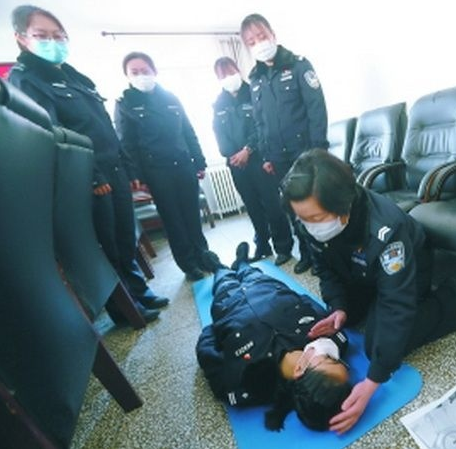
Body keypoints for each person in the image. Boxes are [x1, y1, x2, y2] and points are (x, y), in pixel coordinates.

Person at [281, 150, 456, 434]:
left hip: (410, 270)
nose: (310, 226)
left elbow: (396, 302)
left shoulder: (386, 229)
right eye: (303, 219)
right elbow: (325, 269)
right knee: (344, 321)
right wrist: (339, 306)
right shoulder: (308, 218)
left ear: (344, 206)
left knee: (377, 345)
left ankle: (451, 301)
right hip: (360, 271)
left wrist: (374, 380)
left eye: (316, 218)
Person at [9, 5, 167, 322]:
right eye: (42, 35)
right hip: (86, 178)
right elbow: (53, 136)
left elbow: (104, 127)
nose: (53, 42)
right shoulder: (25, 81)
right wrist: (93, 176)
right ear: (22, 38)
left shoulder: (73, 77)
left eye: (59, 35)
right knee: (106, 246)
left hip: (114, 170)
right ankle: (124, 309)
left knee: (125, 238)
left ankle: (139, 291)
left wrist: (127, 167)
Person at [196, 242, 352, 431]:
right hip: (267, 287)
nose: (334, 355)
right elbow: (313, 307)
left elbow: (205, 352)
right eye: (340, 361)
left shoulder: (244, 381)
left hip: (229, 301)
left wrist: (215, 328)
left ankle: (217, 268)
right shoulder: (330, 337)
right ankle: (242, 263)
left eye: (329, 359)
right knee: (251, 272)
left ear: (300, 369)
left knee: (223, 280)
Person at [114, 51, 223, 281]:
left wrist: (199, 161)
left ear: (154, 71)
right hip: (156, 172)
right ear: (127, 76)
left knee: (192, 216)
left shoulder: (171, 98)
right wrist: (137, 177)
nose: (141, 75)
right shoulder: (125, 104)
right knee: (173, 221)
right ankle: (188, 264)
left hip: (183, 165)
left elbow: (188, 131)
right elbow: (127, 145)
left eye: (145, 70)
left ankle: (203, 256)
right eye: (134, 72)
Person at [240, 13, 329, 274]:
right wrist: (266, 156)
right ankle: (307, 254)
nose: (259, 43)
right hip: (277, 157)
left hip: (305, 152)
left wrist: (318, 150)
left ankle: (324, 257)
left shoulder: (299, 65)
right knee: (292, 207)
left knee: (314, 204)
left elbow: (316, 109)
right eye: (251, 41)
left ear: (273, 34)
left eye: (262, 36)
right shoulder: (255, 78)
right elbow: (260, 122)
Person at [212, 56, 293, 265]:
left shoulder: (255, 92)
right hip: (236, 164)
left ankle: (283, 246)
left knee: (272, 205)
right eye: (222, 75)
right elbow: (219, 135)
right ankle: (263, 245)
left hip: (260, 158)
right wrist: (234, 154)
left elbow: (263, 126)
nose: (228, 77)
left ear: (238, 70)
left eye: (230, 72)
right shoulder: (218, 104)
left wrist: (248, 149)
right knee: (253, 207)